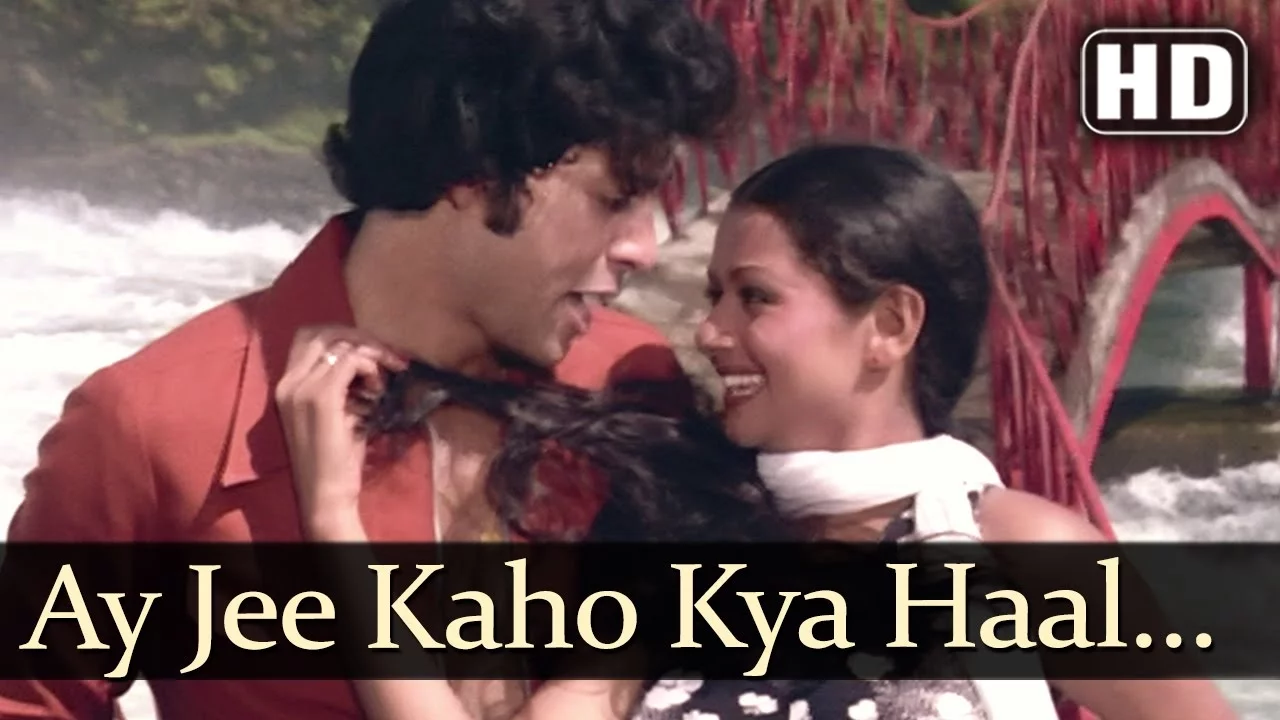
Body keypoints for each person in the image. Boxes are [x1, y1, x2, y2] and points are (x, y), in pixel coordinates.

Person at [281, 142, 1239, 720]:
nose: (709, 331)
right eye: (713, 295)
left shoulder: (1021, 552)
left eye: (754, 298)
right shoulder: (684, 549)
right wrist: (334, 524)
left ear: (890, 325)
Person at [0, 0, 745, 718]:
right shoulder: (154, 424)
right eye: (615, 199)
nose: (643, 247)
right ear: (475, 170)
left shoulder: (631, 378)